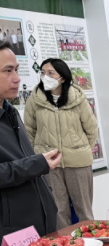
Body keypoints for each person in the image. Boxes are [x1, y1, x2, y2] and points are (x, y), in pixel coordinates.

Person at [25, 58, 99, 229]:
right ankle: (65, 243)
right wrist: (37, 155)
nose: (45, 76)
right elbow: (29, 130)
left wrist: (80, 150)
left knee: (84, 210)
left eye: (51, 73)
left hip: (78, 163)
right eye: (43, 73)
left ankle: (90, 240)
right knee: (58, 210)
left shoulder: (78, 99)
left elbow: (91, 129)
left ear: (63, 78)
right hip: (49, 163)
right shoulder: (35, 99)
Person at [0, 39, 60, 239]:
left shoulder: (11, 112)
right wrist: (37, 164)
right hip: (13, 233)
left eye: (16, 70)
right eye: (8, 71)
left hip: (41, 225)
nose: (17, 78)